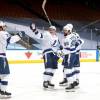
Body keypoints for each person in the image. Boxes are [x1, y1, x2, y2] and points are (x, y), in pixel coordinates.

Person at [30, 24, 62, 89]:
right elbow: (39, 35)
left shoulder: (56, 37)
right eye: (50, 29)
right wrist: (34, 29)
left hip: (54, 53)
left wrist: (60, 46)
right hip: (47, 52)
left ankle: (49, 81)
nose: (51, 30)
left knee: (53, 69)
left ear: (55, 31)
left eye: (53, 30)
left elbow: (55, 45)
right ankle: (45, 81)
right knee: (48, 68)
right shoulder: (46, 34)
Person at [0, 21, 22, 98]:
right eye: (4, 26)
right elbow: (10, 40)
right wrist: (19, 35)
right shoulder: (3, 33)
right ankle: (2, 90)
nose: (5, 27)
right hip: (1, 57)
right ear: (1, 27)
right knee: (5, 74)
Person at [60, 23, 84, 90]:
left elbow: (67, 49)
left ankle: (73, 82)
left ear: (69, 30)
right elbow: (81, 41)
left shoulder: (70, 36)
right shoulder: (73, 35)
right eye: (64, 30)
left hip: (71, 54)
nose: (64, 31)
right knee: (71, 68)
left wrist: (58, 54)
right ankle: (72, 81)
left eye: (65, 30)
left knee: (69, 68)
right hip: (72, 53)